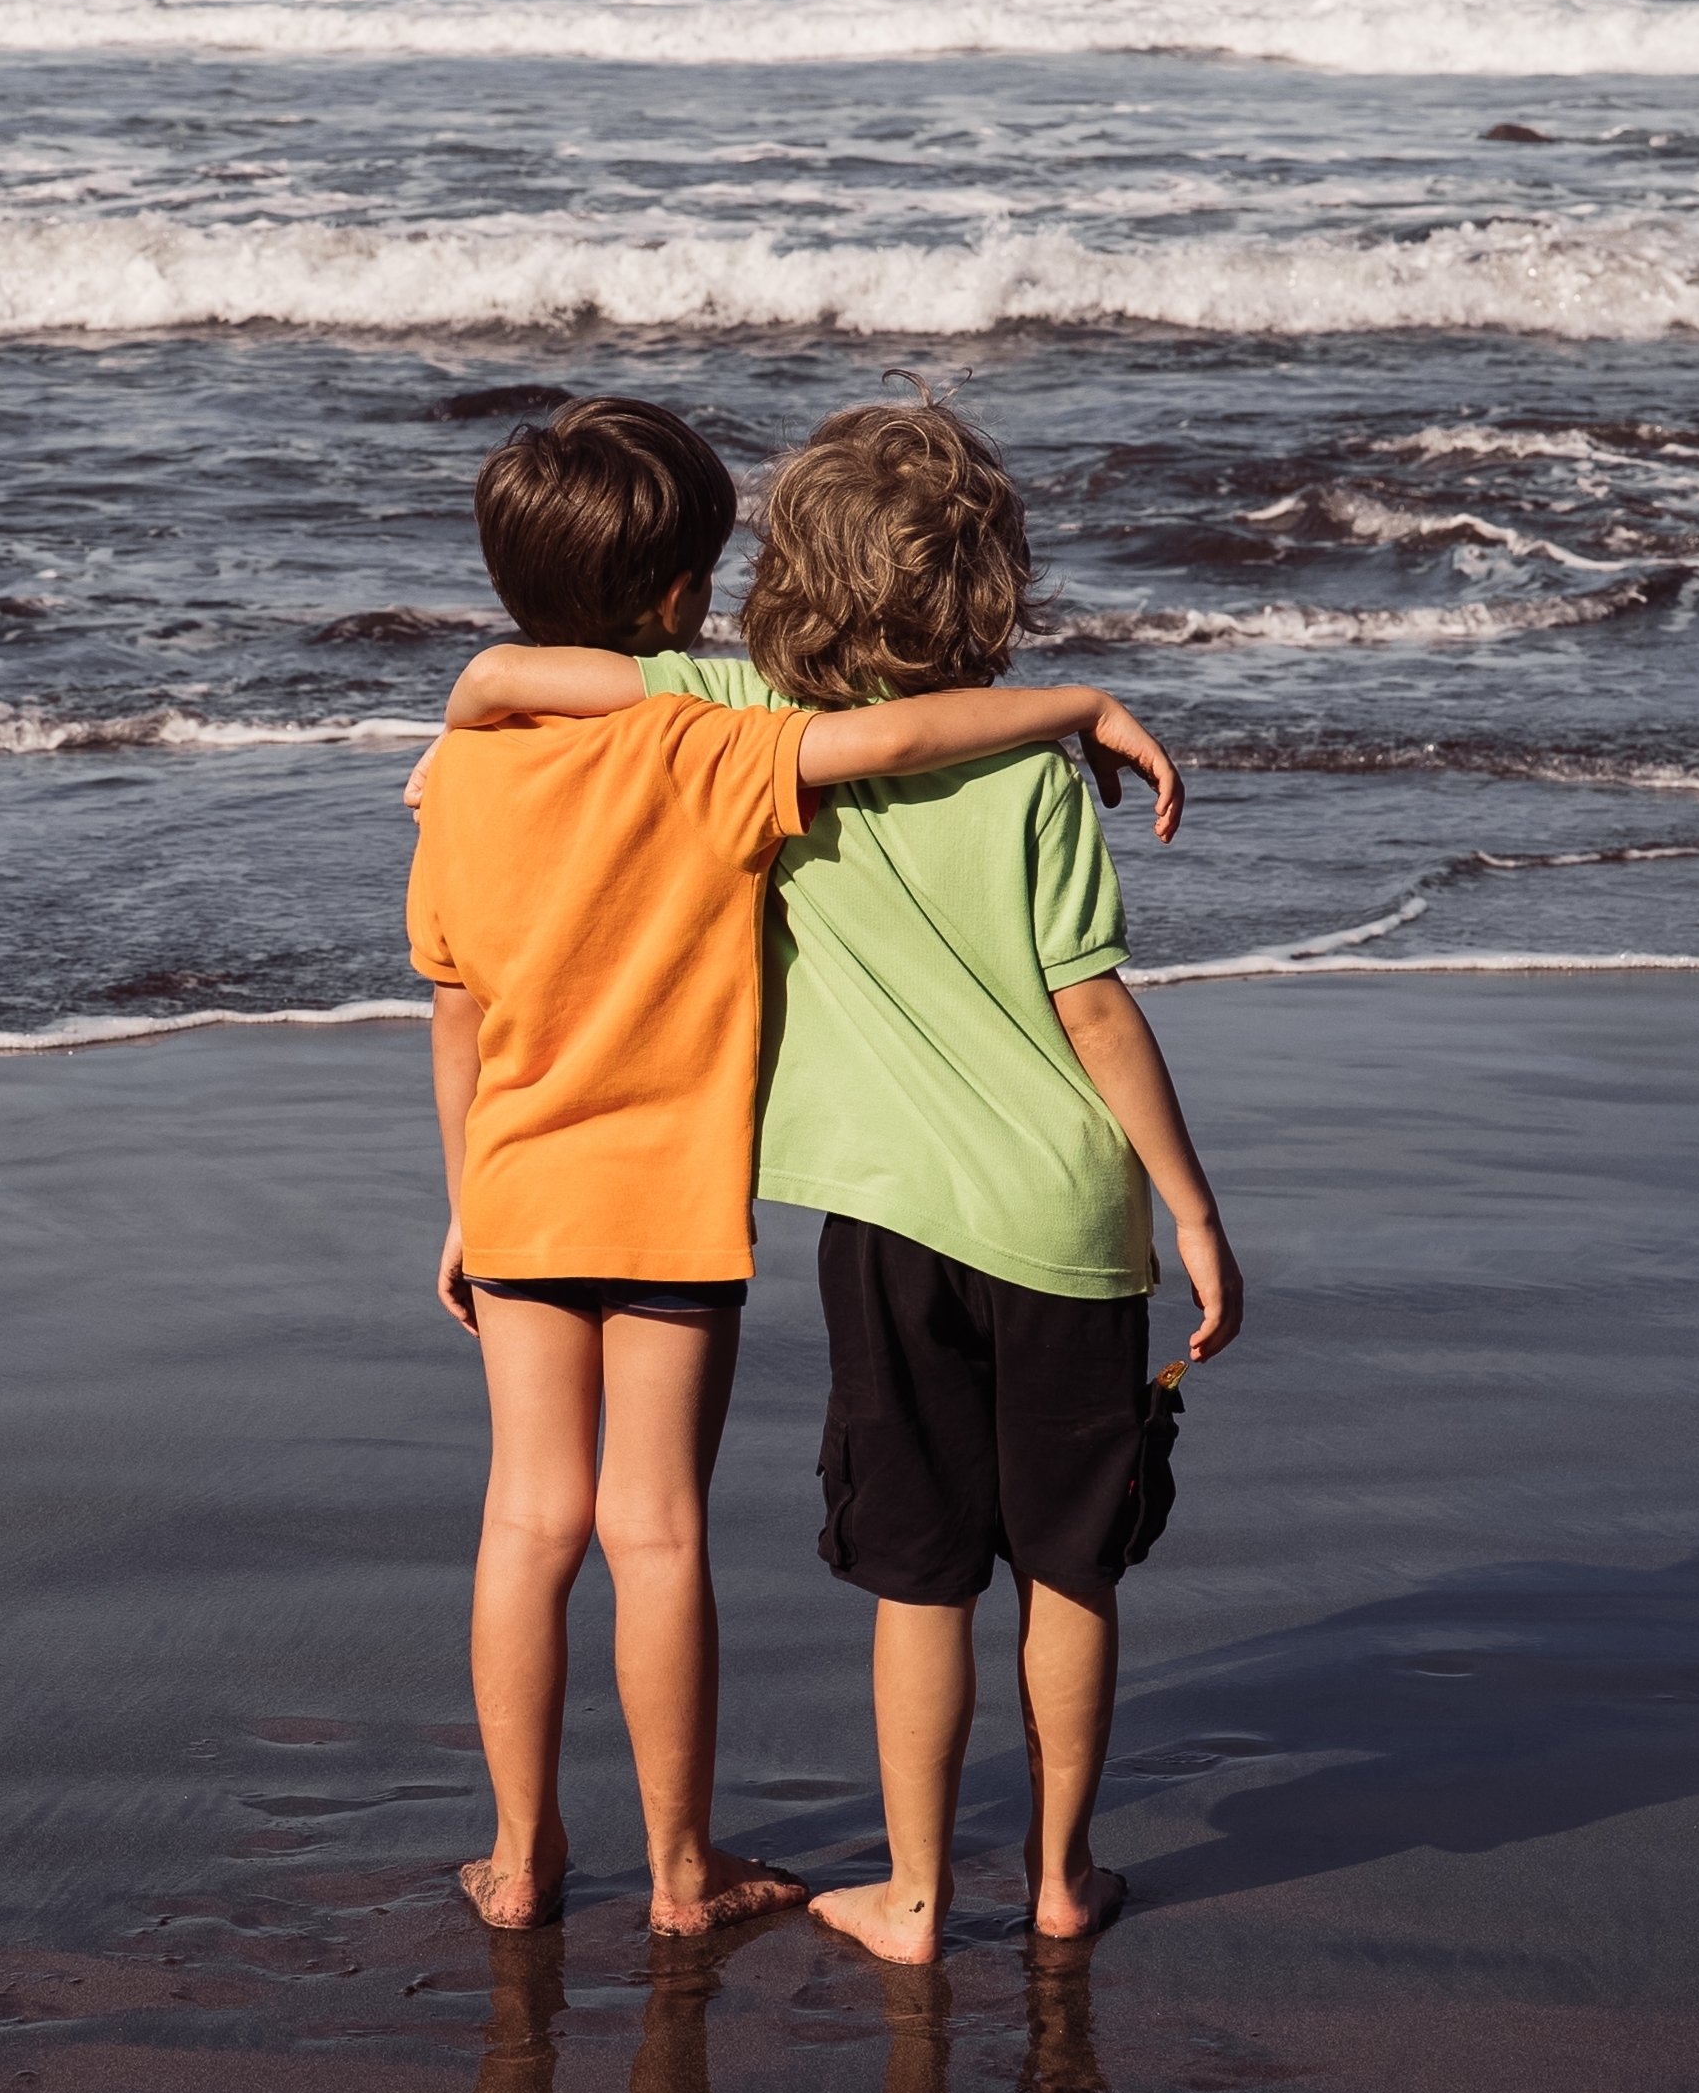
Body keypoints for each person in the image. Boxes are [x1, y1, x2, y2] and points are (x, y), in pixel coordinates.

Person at [441, 388, 1244, 1964]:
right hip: (896, 1204)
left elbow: (513, 793)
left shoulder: (614, 737)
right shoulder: (816, 756)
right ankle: (936, 1875)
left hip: (700, 1201)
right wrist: (1073, 701)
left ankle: (699, 1873)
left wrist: (456, 777)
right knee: (1004, 1558)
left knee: (800, 1557)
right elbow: (1063, 968)